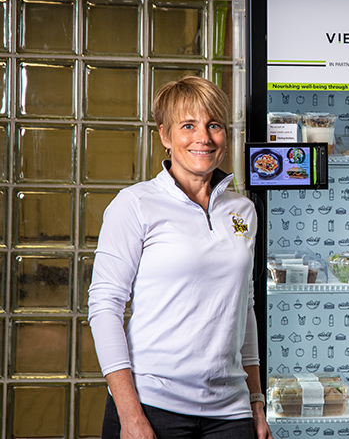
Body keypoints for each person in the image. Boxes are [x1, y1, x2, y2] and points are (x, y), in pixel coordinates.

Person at [88, 76, 272, 439]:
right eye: (188, 126)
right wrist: (130, 415)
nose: (203, 137)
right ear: (166, 136)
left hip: (230, 411)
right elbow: (105, 307)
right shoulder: (135, 204)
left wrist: (256, 401)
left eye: (213, 125)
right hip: (154, 406)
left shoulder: (243, 210)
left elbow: (243, 308)